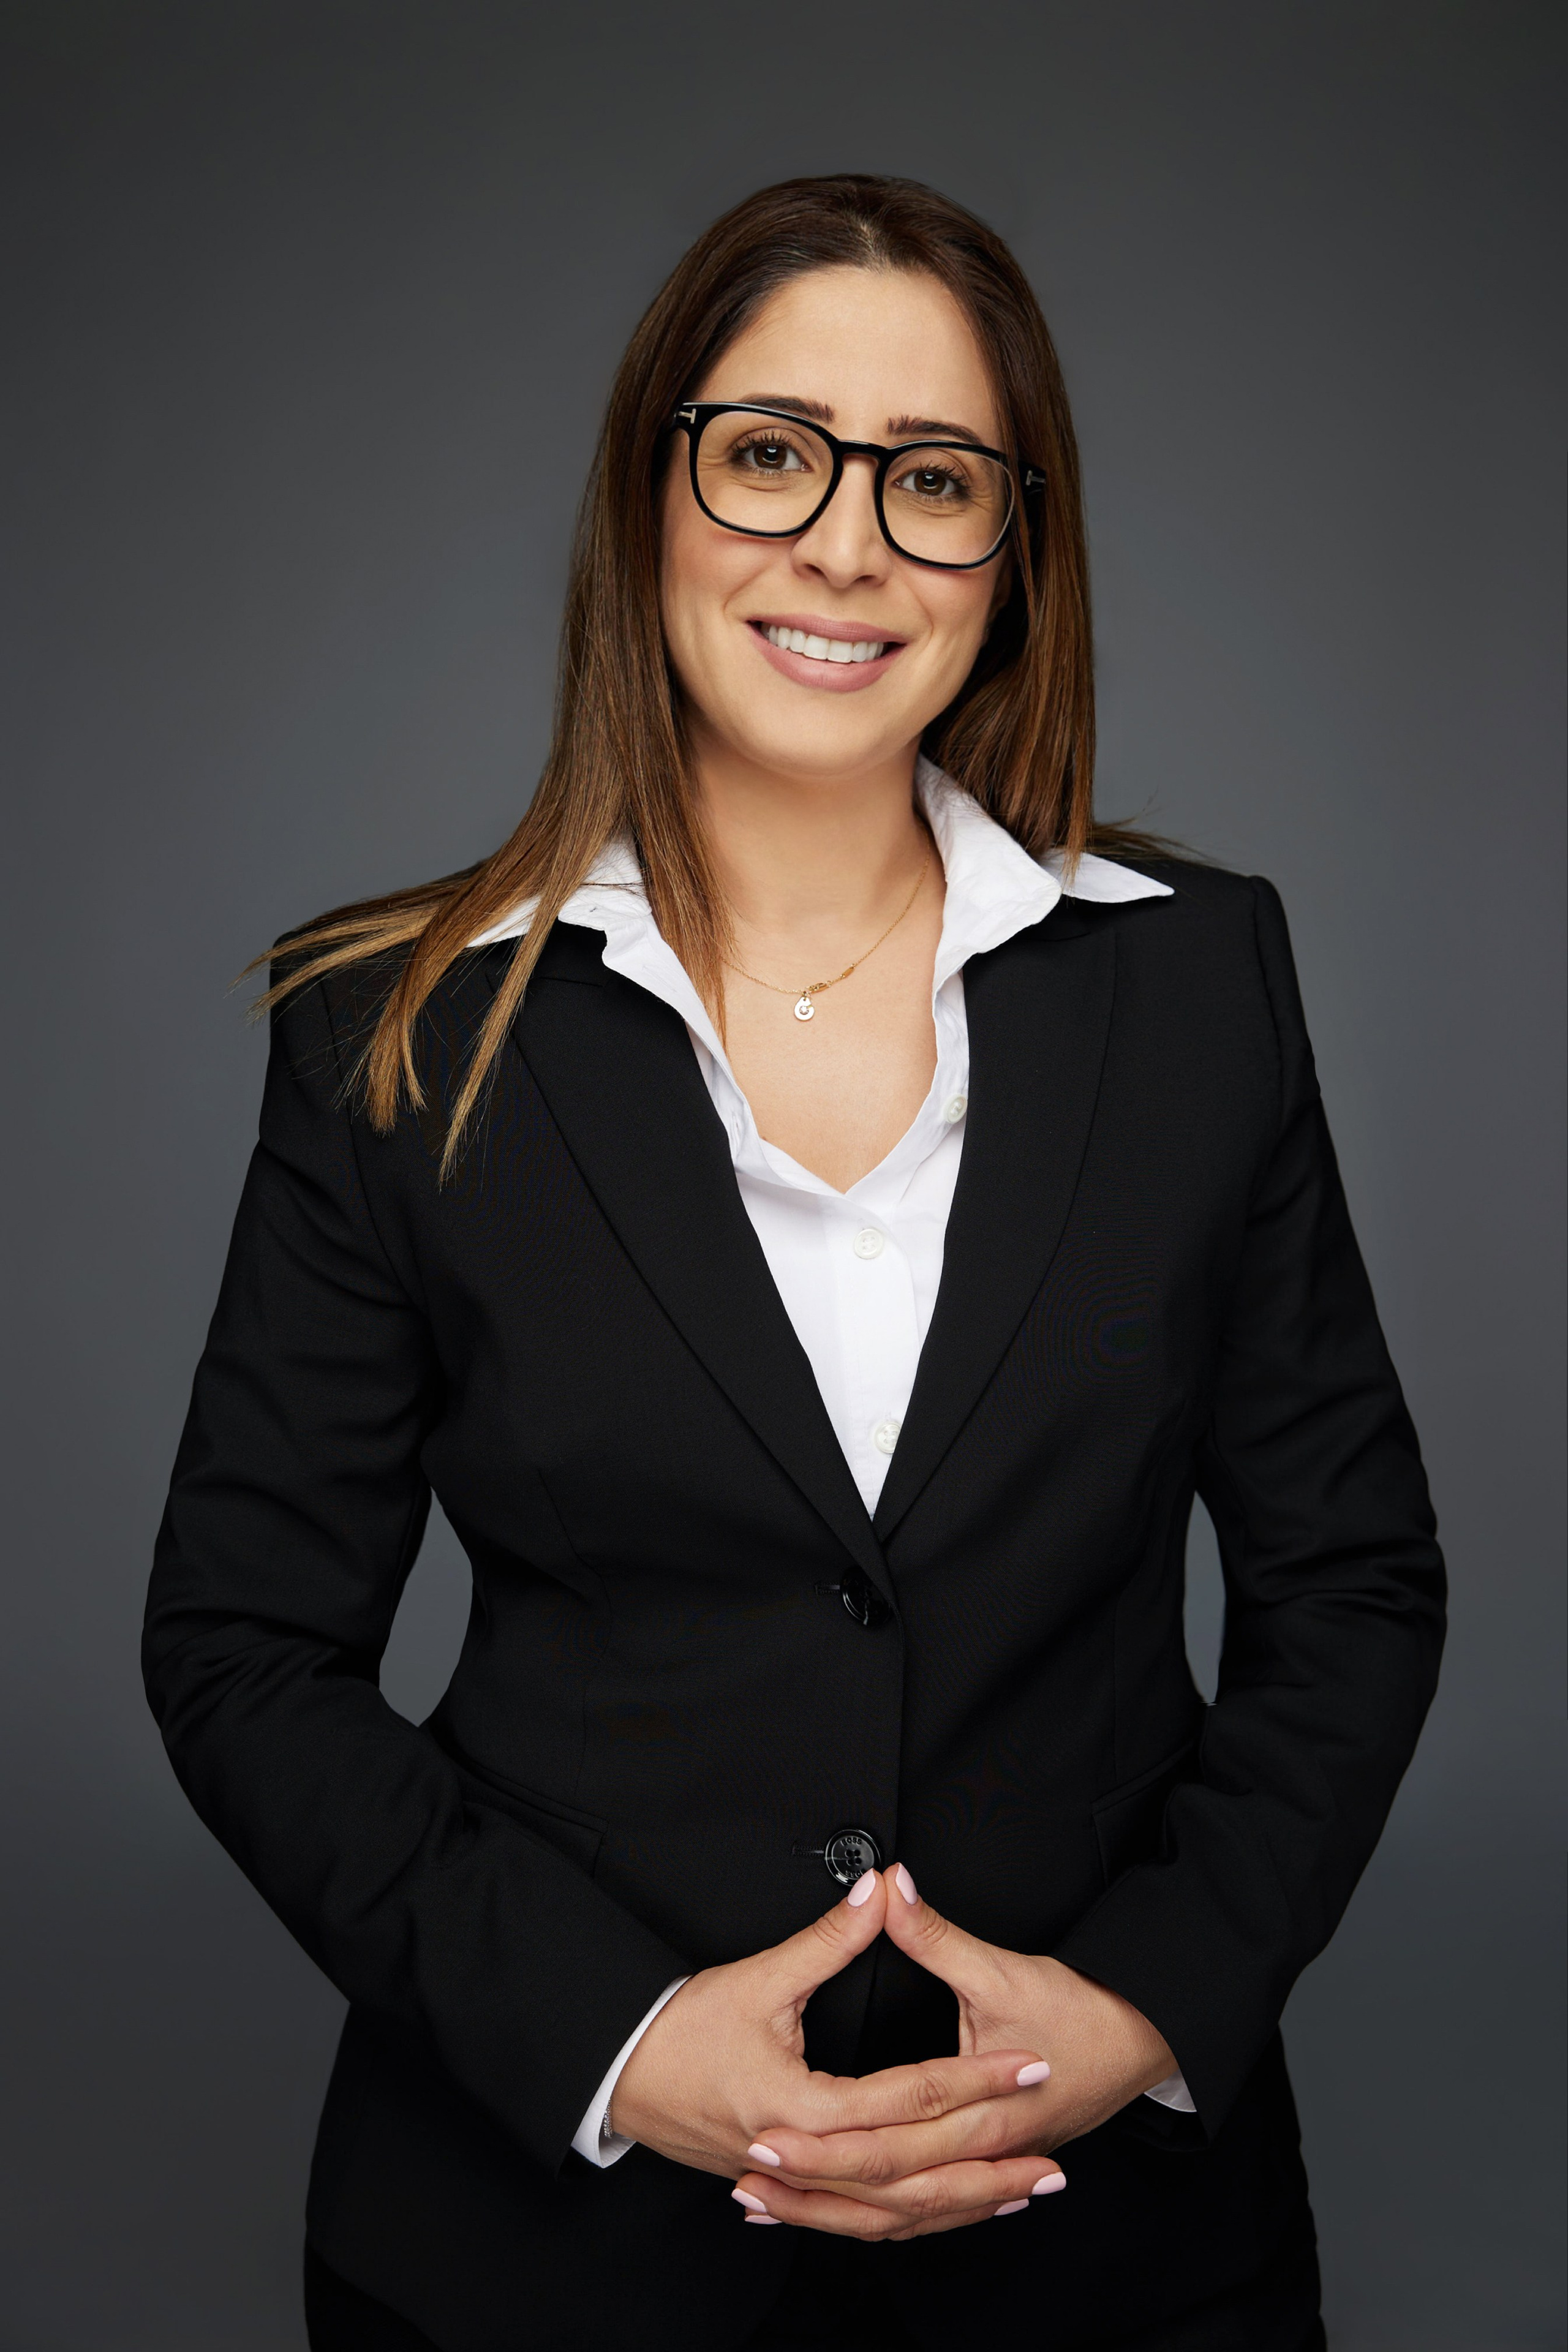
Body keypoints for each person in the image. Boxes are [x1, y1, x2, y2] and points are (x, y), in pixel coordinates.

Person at [143, 175, 1446, 2352]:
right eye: (771, 454)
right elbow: (243, 1651)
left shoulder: (1201, 988)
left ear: (1014, 557)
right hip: (539, 2258)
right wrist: (615, 2045)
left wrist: (1142, 2006)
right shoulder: (400, 1031)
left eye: (934, 483)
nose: (847, 545)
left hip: (1108, 2245)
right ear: (652, 490)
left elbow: (1354, 1584)